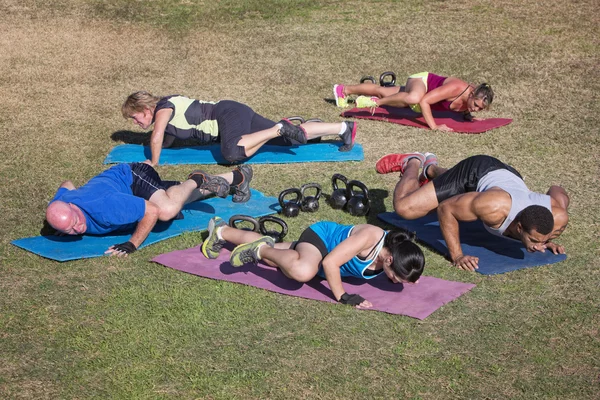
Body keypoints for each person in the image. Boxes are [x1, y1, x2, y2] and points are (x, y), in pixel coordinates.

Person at [376, 152, 569, 271]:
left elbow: (557, 190)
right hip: (476, 171)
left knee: (458, 195)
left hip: (510, 177)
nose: (538, 246)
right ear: (519, 227)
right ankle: (413, 161)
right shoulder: (493, 207)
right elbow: (446, 208)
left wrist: (546, 239)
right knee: (405, 209)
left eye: (540, 241)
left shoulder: (557, 218)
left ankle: (432, 170)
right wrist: (458, 255)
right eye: (534, 241)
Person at [201, 217, 425, 309]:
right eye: (395, 276)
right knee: (302, 270)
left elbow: (407, 267)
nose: (394, 281)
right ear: (389, 259)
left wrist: (410, 275)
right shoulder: (369, 238)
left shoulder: (398, 255)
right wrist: (343, 296)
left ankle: (220, 230)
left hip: (323, 255)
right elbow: (330, 263)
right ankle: (260, 249)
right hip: (321, 240)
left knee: (277, 260)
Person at [45, 162, 253, 256]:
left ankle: (197, 179)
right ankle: (238, 177)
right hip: (122, 191)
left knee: (167, 210)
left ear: (74, 209)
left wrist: (131, 244)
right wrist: (64, 224)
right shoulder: (63, 203)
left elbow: (151, 211)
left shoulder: (106, 208)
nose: (78, 229)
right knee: (177, 198)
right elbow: (67, 184)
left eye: (76, 222)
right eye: (70, 230)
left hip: (134, 176)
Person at [121, 91, 358, 166]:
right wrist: (162, 148)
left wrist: (152, 162)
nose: (135, 123)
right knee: (293, 142)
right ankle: (342, 128)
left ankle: (279, 128)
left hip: (227, 115)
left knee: (232, 153)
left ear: (145, 108)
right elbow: (167, 139)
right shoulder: (166, 112)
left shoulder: (163, 109)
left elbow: (158, 135)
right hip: (235, 112)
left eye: (134, 118)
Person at [333, 72, 494, 131]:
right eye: (476, 105)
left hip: (421, 91)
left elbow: (464, 107)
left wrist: (469, 116)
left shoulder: (470, 101)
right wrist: (435, 127)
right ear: (472, 94)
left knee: (382, 91)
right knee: (414, 98)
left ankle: (344, 90)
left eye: (480, 109)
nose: (475, 109)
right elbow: (425, 101)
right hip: (421, 81)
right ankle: (376, 103)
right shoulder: (456, 88)